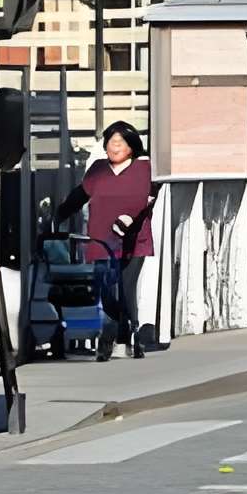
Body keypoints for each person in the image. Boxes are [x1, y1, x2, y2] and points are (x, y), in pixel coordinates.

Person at [55, 124, 155, 358]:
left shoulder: (142, 168)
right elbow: (81, 193)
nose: (115, 146)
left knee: (127, 287)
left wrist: (127, 219)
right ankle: (114, 329)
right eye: (111, 142)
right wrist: (61, 212)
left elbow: (141, 198)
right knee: (108, 290)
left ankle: (129, 335)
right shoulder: (98, 169)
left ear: (131, 147)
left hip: (133, 240)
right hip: (101, 240)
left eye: (121, 142)